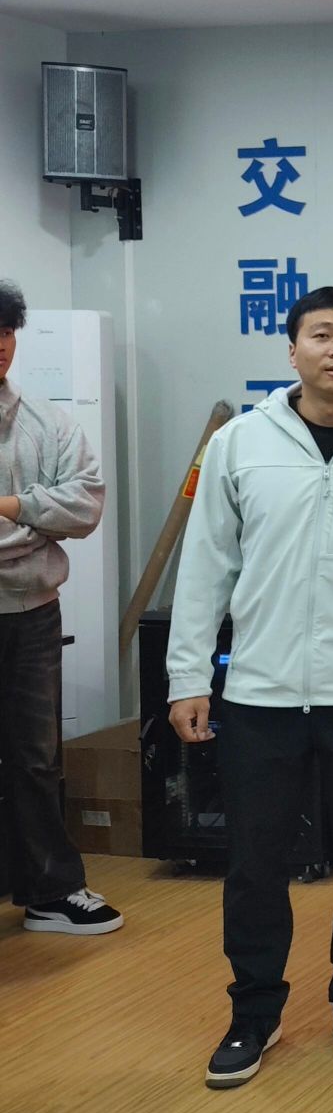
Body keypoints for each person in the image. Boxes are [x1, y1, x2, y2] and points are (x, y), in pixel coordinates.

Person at [167, 287, 333, 1088]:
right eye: (322, 334)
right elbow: (206, 566)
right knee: (255, 863)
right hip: (262, 692)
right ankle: (254, 1011)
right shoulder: (240, 443)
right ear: (292, 350)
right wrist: (189, 675)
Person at [0, 280, 121, 937]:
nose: (0, 345)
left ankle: (51, 891)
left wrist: (13, 507)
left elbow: (85, 507)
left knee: (37, 756)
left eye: (6, 332)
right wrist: (35, 524)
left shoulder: (47, 422)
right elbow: (58, 515)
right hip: (30, 585)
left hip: (33, 611)